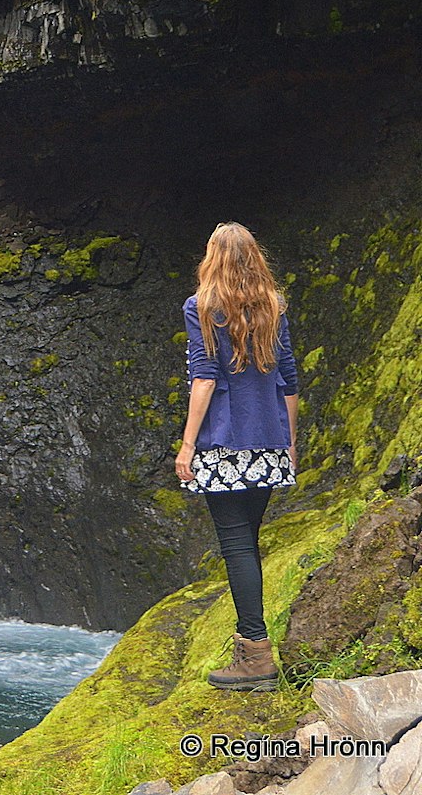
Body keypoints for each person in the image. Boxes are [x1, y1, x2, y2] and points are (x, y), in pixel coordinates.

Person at [175, 222, 300, 690]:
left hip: (224, 443)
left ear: (213, 259)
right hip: (269, 440)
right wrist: (288, 441)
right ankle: (252, 648)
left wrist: (188, 444)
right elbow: (287, 377)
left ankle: (255, 653)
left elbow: (204, 377)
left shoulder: (202, 307)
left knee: (236, 545)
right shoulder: (274, 305)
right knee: (248, 540)